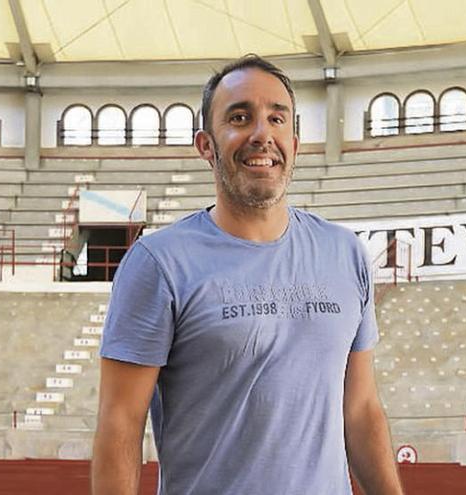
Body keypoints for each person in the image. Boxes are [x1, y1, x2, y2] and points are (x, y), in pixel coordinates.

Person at [91, 54, 404, 495]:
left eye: (278, 118)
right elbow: (120, 422)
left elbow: (360, 408)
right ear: (206, 145)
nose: (262, 134)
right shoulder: (159, 263)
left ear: (295, 141)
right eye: (240, 117)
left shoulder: (344, 252)